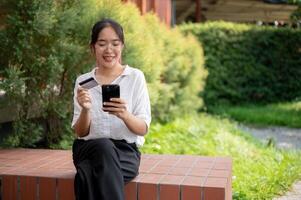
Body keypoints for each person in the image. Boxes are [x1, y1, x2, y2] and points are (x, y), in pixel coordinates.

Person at [71, 18, 151, 200]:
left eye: (115, 43)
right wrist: (85, 109)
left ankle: (86, 172)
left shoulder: (135, 77)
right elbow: (80, 132)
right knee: (103, 145)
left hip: (125, 153)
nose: (109, 50)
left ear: (122, 46)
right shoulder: (83, 81)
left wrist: (124, 114)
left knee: (87, 175)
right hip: (89, 149)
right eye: (102, 44)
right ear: (93, 48)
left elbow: (143, 128)